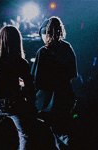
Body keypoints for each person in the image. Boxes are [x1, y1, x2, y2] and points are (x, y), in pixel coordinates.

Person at [31, 16, 78, 149]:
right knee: (62, 134)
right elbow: (72, 74)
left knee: (51, 135)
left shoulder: (43, 52)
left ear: (47, 33)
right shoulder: (67, 48)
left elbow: (36, 82)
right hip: (65, 99)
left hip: (46, 103)